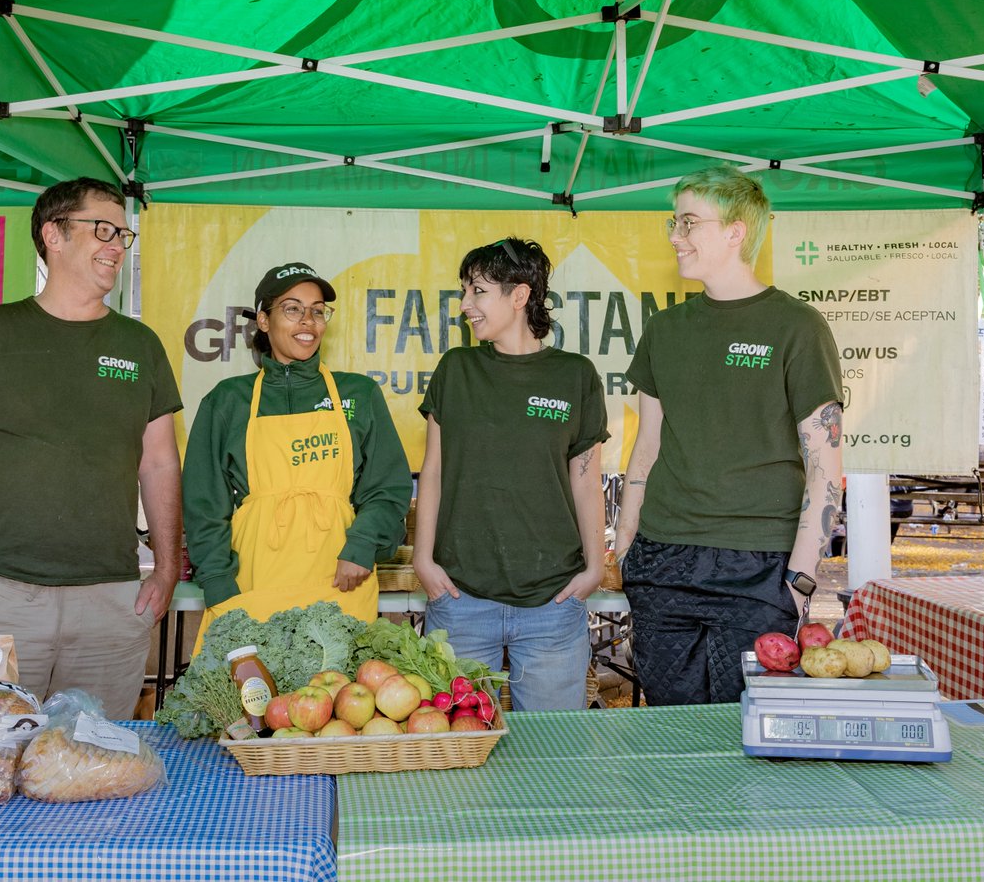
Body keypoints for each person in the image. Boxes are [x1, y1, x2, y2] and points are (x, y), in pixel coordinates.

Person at [0, 177, 182, 719]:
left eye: (123, 234)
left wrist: (167, 568)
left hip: (109, 599)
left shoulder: (140, 344)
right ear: (53, 235)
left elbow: (161, 462)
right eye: (102, 229)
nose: (117, 245)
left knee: (94, 772)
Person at [616, 165, 843, 706]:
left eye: (689, 222)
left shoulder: (797, 326)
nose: (675, 235)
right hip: (662, 559)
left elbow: (825, 465)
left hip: (758, 563)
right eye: (674, 222)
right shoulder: (664, 329)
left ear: (737, 231)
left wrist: (803, 577)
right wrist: (626, 546)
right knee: (673, 740)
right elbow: (646, 447)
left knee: (750, 731)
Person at [413, 238, 608, 711]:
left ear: (519, 296)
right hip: (460, 598)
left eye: (477, 291)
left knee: (553, 756)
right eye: (464, 292)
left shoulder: (575, 375)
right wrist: (423, 559)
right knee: (455, 758)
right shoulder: (456, 369)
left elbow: (585, 480)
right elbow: (433, 472)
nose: (464, 306)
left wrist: (595, 566)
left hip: (552, 605)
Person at [183, 262, 411, 646]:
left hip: (340, 578)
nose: (308, 321)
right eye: (292, 309)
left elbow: (387, 487)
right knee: (254, 703)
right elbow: (204, 504)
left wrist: (363, 546)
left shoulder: (358, 394)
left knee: (337, 700)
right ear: (264, 320)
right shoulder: (228, 401)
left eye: (317, 310)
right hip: (253, 581)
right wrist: (219, 582)